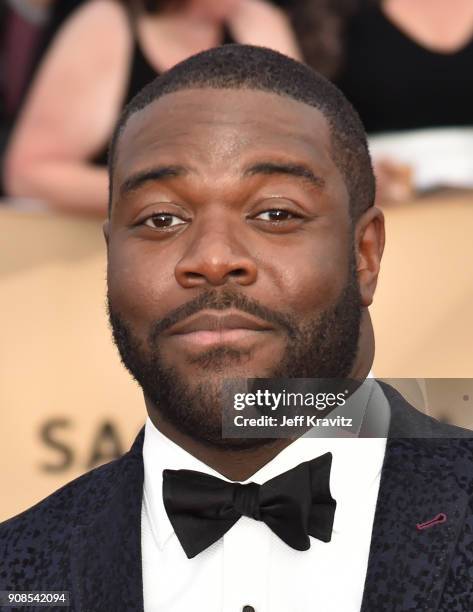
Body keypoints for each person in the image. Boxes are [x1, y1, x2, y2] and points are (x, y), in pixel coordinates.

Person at [1, 45, 472, 611]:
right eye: (161, 218)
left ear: (364, 254)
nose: (214, 258)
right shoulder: (16, 570)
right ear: (111, 258)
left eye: (276, 213)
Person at [2, 0, 301, 216]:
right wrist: (167, 190)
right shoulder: (105, 26)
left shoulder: (259, 20)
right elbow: (28, 174)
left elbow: (303, 145)